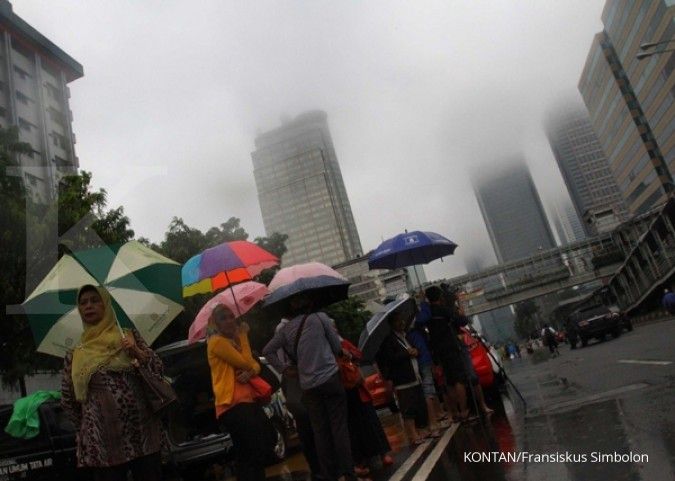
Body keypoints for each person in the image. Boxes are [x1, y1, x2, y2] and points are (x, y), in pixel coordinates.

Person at [61, 285, 165, 481]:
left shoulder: (128, 337)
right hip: (104, 444)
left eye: (95, 300)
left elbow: (158, 371)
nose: (89, 306)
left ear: (106, 304)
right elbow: (68, 399)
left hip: (143, 434)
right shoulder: (76, 354)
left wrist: (137, 352)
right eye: (83, 303)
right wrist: (88, 426)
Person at [263, 294, 358, 481]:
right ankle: (348, 473)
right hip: (330, 379)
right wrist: (344, 353)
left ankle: (330, 475)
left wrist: (284, 369)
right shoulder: (320, 318)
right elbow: (336, 346)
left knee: (320, 432)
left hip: (308, 386)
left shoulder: (285, 330)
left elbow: (267, 351)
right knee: (338, 428)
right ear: (310, 304)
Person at [207, 304, 276, 481]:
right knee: (251, 454)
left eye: (231, 316)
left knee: (257, 450)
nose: (230, 321)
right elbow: (247, 362)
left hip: (247, 402)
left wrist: (251, 370)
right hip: (233, 405)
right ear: (216, 324)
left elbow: (255, 366)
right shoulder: (217, 342)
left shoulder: (231, 342)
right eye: (223, 318)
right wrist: (244, 336)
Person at [376, 311, 436, 445]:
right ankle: (413, 435)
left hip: (414, 376)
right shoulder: (389, 340)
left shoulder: (405, 336)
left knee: (418, 405)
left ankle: (421, 430)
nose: (402, 323)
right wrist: (406, 353)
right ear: (392, 324)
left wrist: (415, 351)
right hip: (403, 380)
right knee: (408, 408)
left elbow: (412, 351)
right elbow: (391, 358)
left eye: (402, 320)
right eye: (398, 321)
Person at [338, 330, 393, 476]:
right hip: (343, 393)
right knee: (353, 428)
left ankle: (382, 453)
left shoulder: (343, 343)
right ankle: (360, 460)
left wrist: (348, 354)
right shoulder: (324, 350)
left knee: (370, 422)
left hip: (357, 390)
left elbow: (358, 354)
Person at [274, 317, 323, 481]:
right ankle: (318, 469)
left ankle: (324, 467)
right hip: (296, 380)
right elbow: (281, 360)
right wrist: (287, 369)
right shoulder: (282, 328)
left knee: (317, 424)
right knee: (307, 425)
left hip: (309, 377)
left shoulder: (307, 321)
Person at [424, 286, 469, 421]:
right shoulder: (444, 311)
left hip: (438, 351)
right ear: (440, 297)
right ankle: (464, 410)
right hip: (451, 347)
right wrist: (460, 308)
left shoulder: (427, 314)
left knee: (448, 382)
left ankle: (454, 412)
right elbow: (462, 321)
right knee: (458, 380)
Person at [406, 321, 446, 431]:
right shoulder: (414, 333)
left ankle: (437, 415)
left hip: (422, 363)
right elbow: (422, 350)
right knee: (429, 391)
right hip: (424, 363)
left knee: (430, 390)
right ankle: (433, 422)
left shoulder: (409, 334)